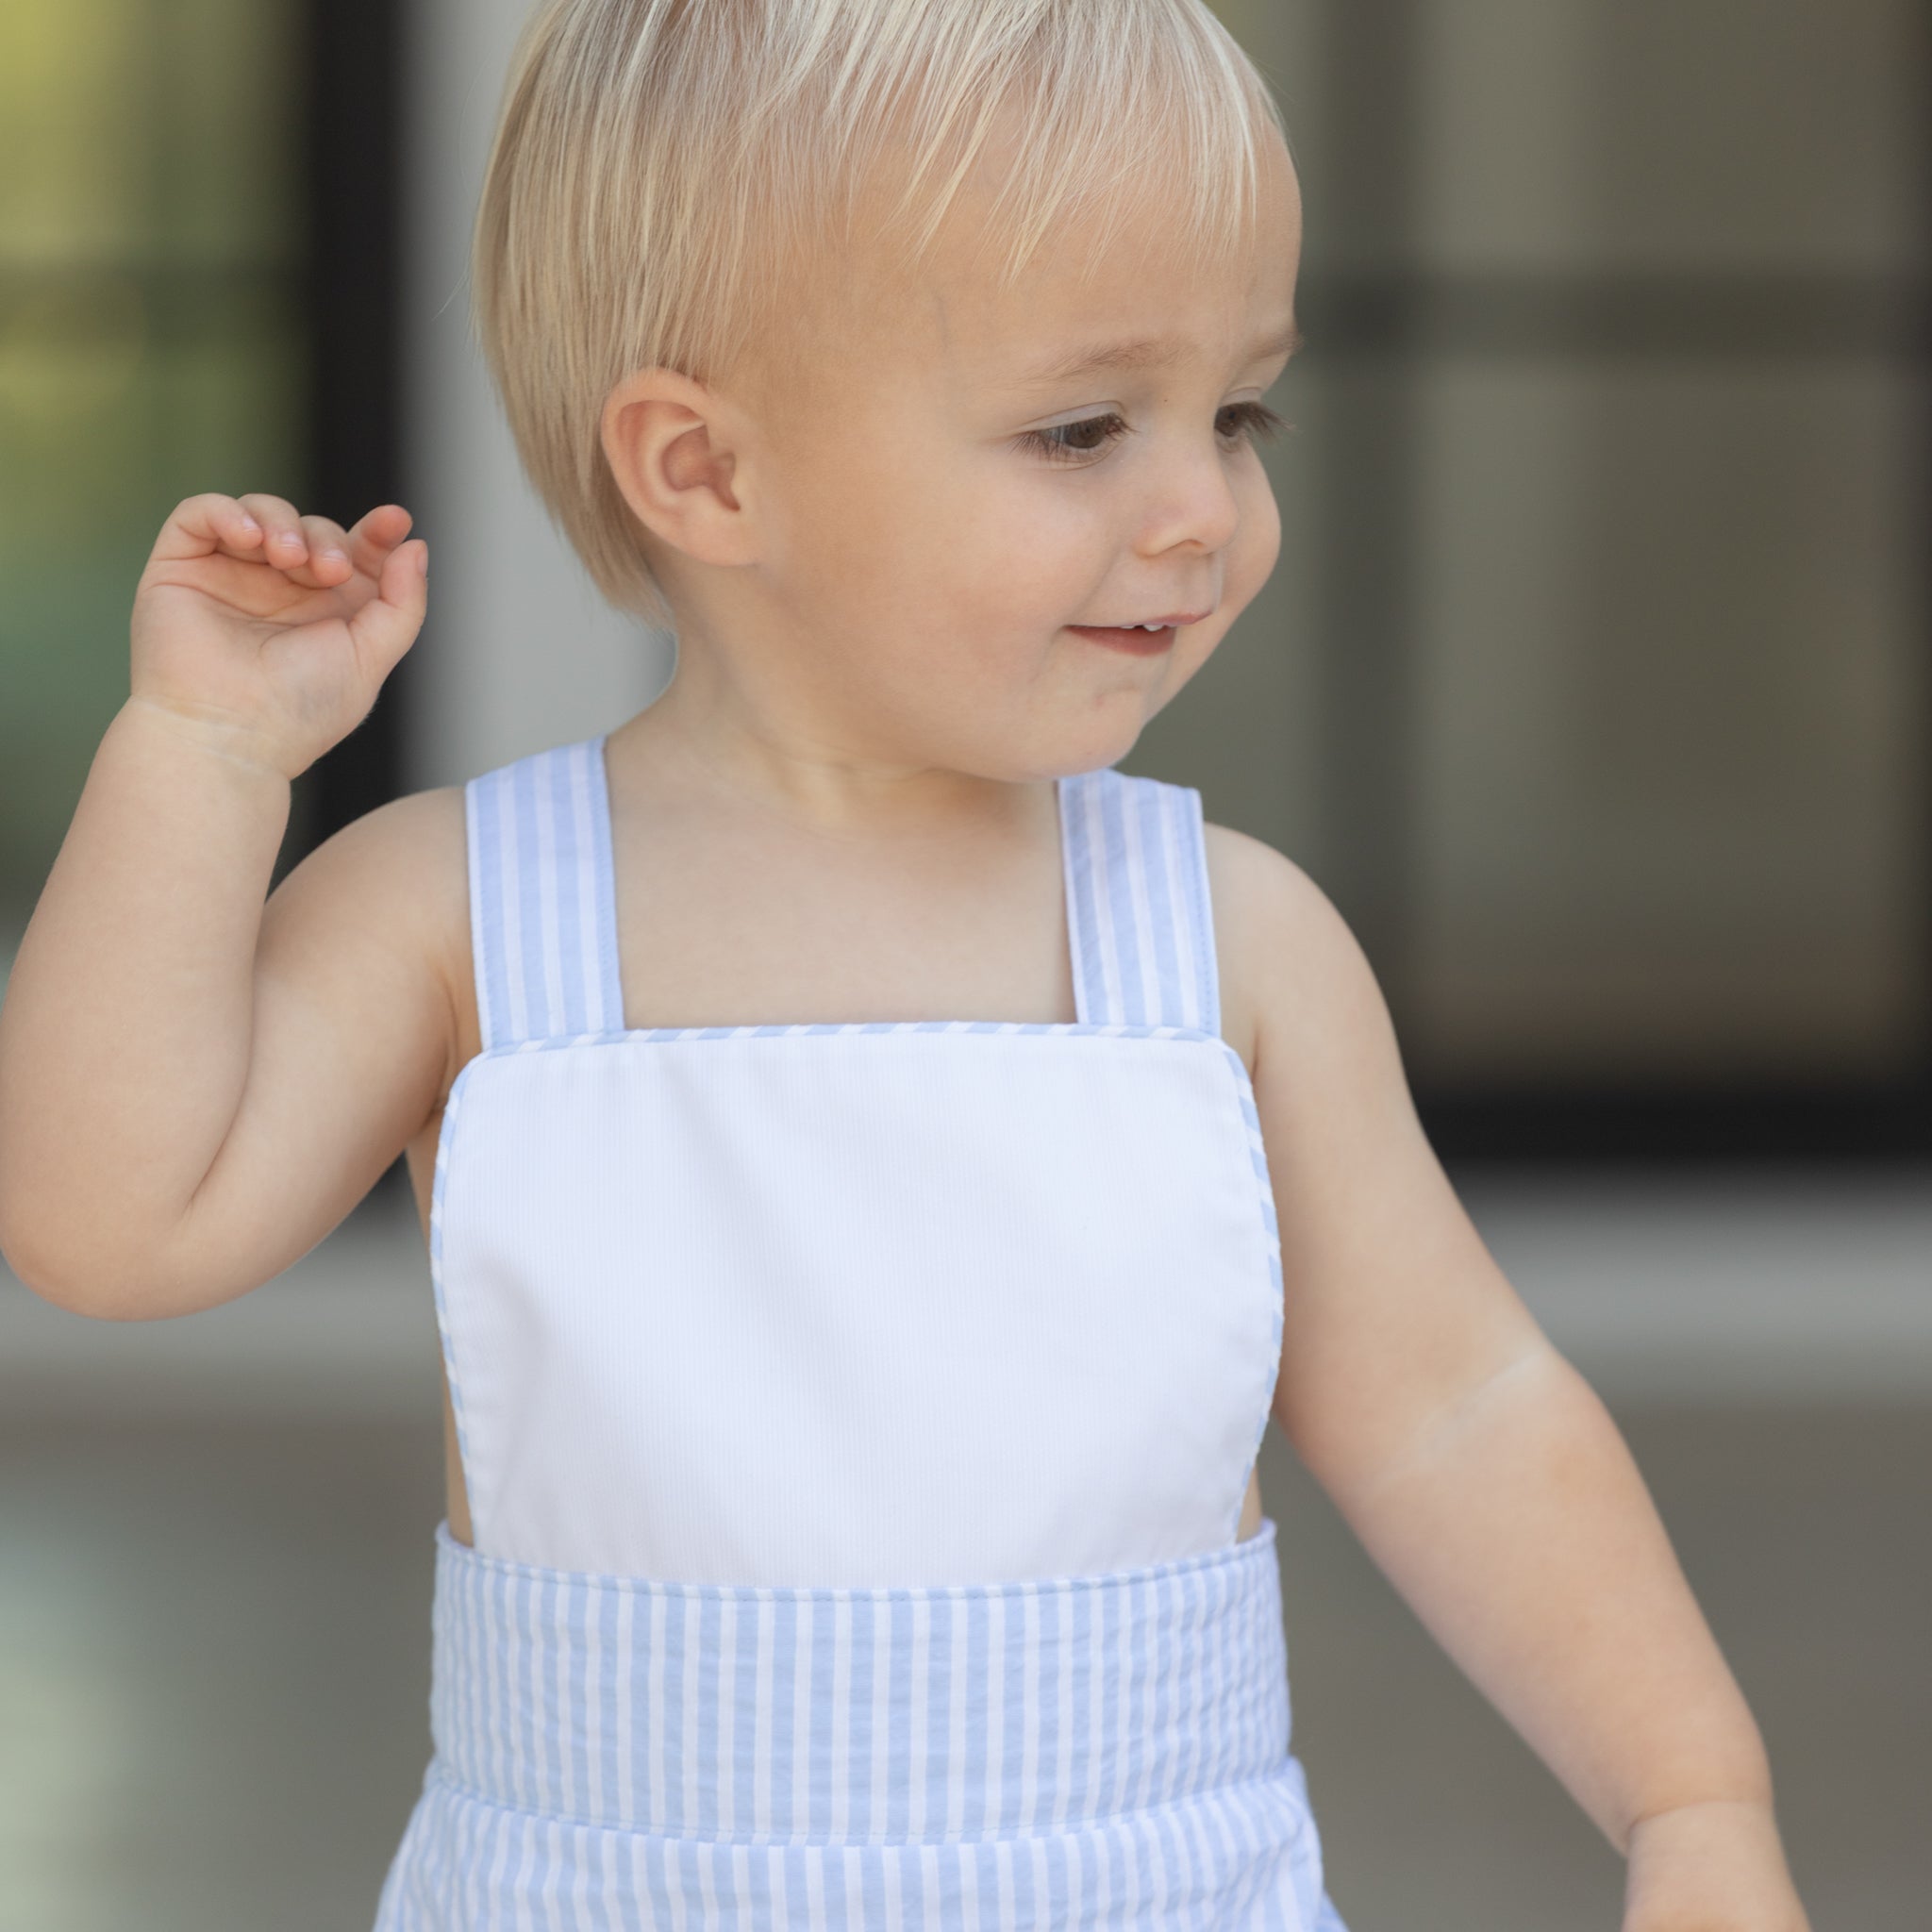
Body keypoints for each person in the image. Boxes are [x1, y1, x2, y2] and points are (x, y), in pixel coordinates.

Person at [0, 0, 1812, 1925]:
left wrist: (1688, 1795)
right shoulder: (473, 915)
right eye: (1084, 426)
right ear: (704, 472)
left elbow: (1459, 1406)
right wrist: (199, 761)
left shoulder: (1227, 948)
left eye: (1237, 411)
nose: (1202, 504)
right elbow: (108, 1222)